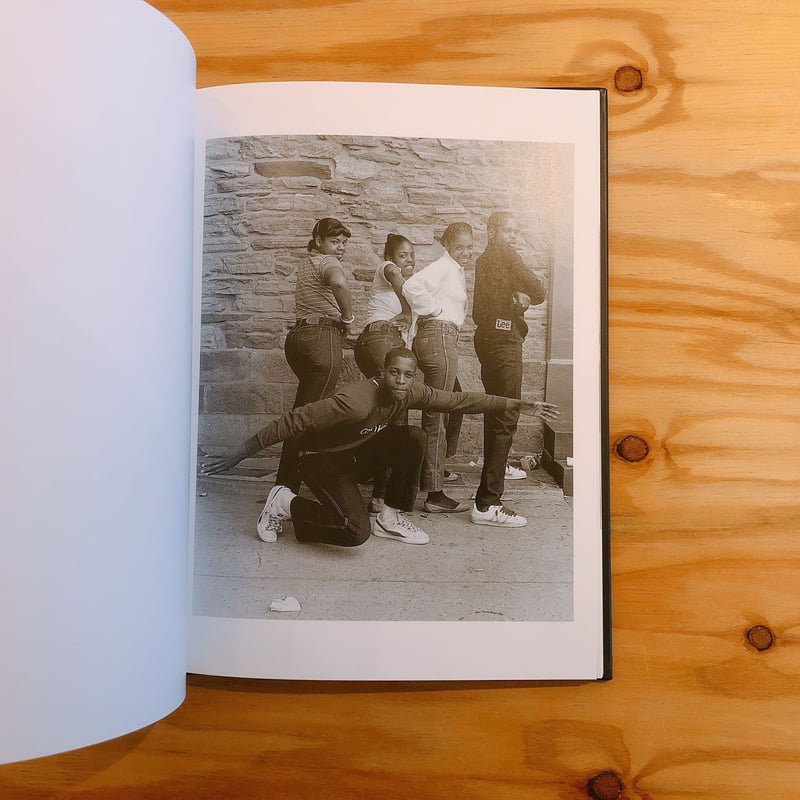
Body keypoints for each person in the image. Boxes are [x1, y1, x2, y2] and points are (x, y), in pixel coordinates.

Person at [200, 347, 557, 548]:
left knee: (414, 437)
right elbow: (292, 422)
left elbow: (459, 401)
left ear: (413, 376)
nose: (401, 381)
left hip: (358, 450)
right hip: (322, 459)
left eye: (407, 375)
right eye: (394, 374)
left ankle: (389, 515)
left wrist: (516, 404)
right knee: (355, 533)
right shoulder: (355, 400)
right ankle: (285, 503)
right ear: (382, 373)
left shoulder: (412, 392)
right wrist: (238, 453)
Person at [270, 217, 355, 540]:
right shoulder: (328, 262)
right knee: (307, 418)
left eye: (344, 242)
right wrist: (347, 317)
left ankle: (290, 486)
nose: (341, 247)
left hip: (298, 338)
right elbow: (339, 283)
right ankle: (282, 492)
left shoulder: (308, 263)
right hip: (322, 336)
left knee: (307, 415)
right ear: (318, 240)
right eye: (335, 241)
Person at [470, 212, 552, 527]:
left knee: (498, 413)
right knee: (505, 417)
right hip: (503, 340)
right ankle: (487, 504)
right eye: (508, 230)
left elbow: (529, 293)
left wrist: (520, 298)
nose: (514, 236)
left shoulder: (487, 259)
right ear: (492, 231)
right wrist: (524, 297)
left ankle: (496, 473)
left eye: (517, 232)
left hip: (492, 337)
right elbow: (539, 289)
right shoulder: (503, 254)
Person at [401, 222, 472, 514]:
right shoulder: (443, 266)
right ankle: (434, 494)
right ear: (447, 245)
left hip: (439, 337)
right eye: (460, 247)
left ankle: (435, 468)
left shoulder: (454, 269)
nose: (465, 252)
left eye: (469, 246)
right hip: (440, 337)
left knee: (453, 404)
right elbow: (410, 286)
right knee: (438, 413)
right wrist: (434, 312)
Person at [353, 233, 415, 514]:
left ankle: (363, 471)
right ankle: (382, 496)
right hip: (380, 338)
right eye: (403, 255)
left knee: (380, 412)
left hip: (382, 342)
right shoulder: (387, 269)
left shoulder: (410, 286)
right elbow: (396, 277)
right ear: (391, 257)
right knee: (395, 412)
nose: (408, 260)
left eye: (412, 256)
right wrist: (407, 312)